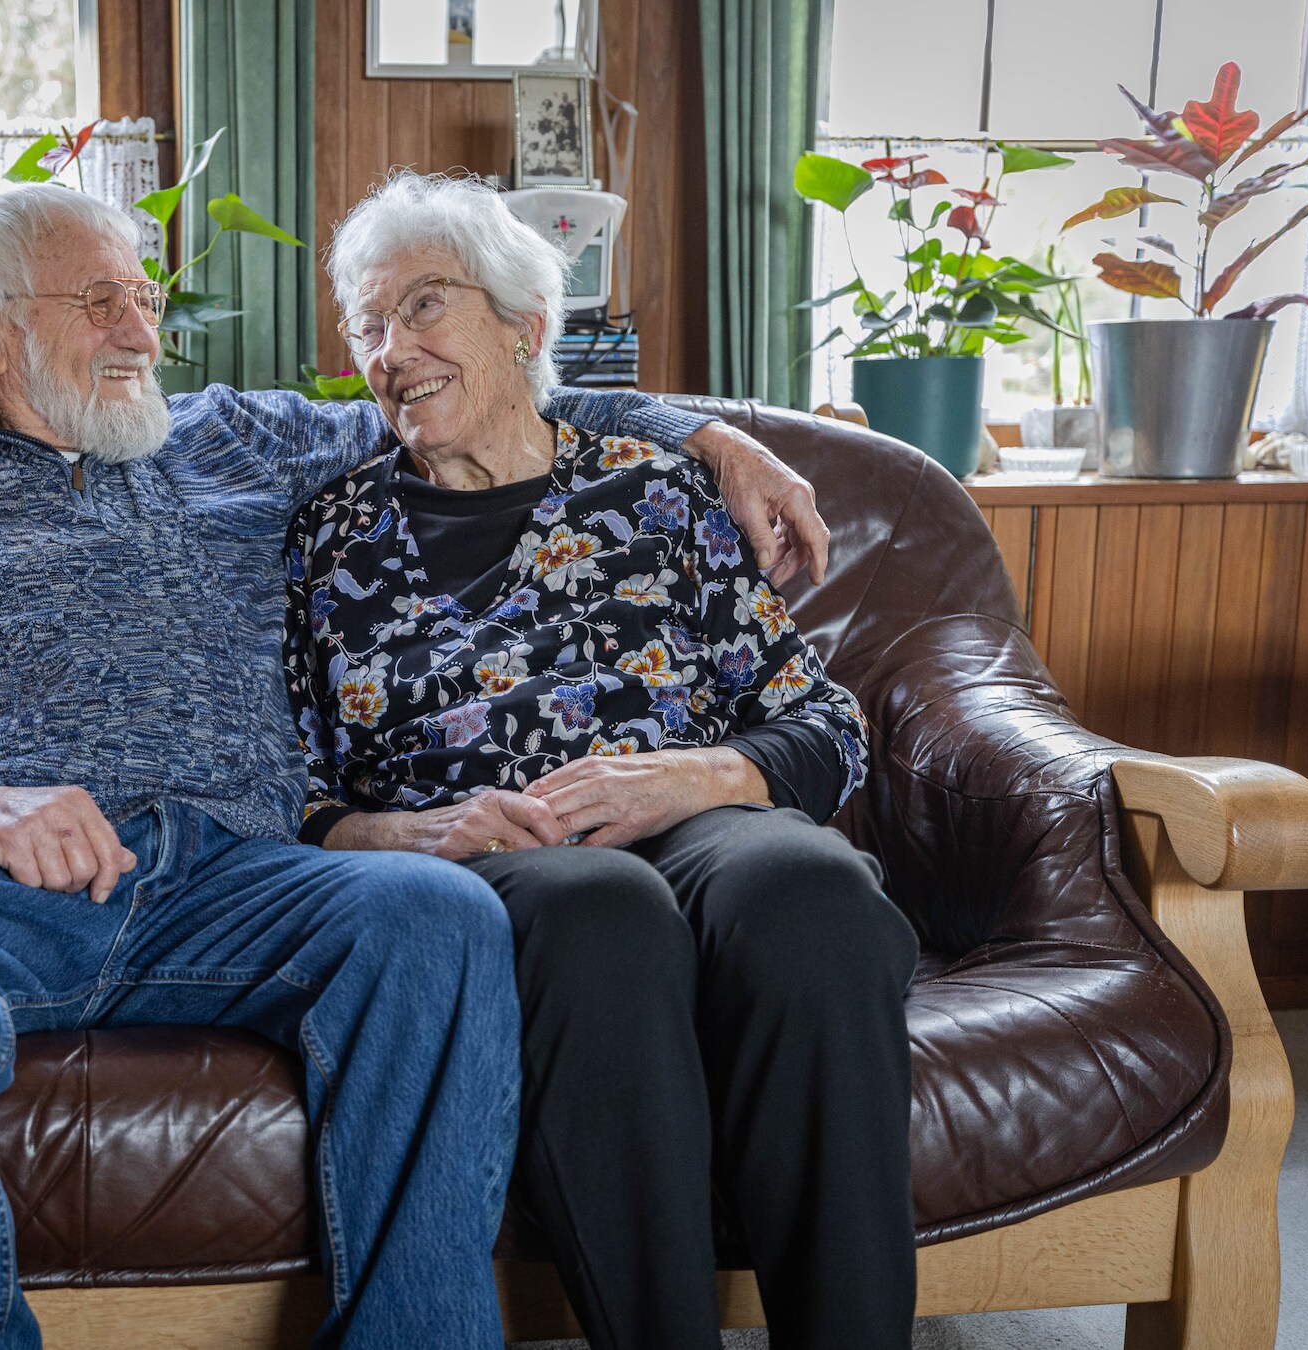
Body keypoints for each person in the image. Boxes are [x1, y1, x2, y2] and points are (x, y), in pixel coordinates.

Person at [0, 182, 825, 1350]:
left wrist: (710, 437)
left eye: (144, 300)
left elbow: (479, 389)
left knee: (437, 917)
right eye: (100, 303)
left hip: (235, 872)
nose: (142, 333)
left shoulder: (231, 439)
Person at [283, 173, 922, 1350]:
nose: (391, 350)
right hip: (495, 854)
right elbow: (293, 785)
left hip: (695, 815)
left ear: (523, 328)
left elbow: (825, 727)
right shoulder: (330, 537)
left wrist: (697, 775)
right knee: (599, 909)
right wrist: (404, 833)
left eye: (423, 307)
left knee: (811, 890)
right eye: (367, 327)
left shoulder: (659, 494)